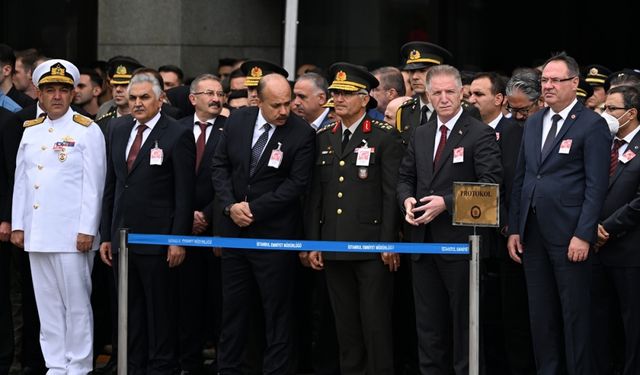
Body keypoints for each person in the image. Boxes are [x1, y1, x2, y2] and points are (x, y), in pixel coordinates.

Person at [507, 52, 611, 375]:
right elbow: (522, 177)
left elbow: (596, 186)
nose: (548, 86)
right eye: (545, 80)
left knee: (575, 316)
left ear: (575, 83)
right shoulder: (535, 120)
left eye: (555, 80)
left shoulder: (591, 125)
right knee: (541, 316)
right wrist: (514, 227)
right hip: (533, 233)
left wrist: (584, 233)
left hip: (570, 236)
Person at [396, 64, 502, 375]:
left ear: (461, 94)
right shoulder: (420, 133)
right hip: (423, 246)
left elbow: (491, 189)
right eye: (437, 93)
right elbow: (405, 177)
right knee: (428, 330)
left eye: (450, 92)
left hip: (461, 249)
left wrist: (446, 202)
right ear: (427, 96)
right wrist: (406, 200)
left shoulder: (479, 133)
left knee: (465, 330)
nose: (444, 98)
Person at [211, 73, 315, 374]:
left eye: (288, 103)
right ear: (257, 100)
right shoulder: (238, 121)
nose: (284, 111)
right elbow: (220, 165)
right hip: (235, 233)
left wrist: (253, 209)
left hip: (274, 235)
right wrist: (231, 206)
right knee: (233, 309)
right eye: (276, 105)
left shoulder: (302, 132)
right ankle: (228, 368)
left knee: (277, 313)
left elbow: (296, 184)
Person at [305, 62, 404, 374]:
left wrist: (390, 243)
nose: (338, 98)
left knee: (374, 322)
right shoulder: (323, 136)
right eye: (335, 92)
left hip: (371, 246)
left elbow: (391, 194)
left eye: (346, 93)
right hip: (334, 242)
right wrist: (312, 243)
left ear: (365, 99)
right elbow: (315, 197)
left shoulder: (383, 136)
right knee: (344, 323)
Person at [11, 59, 107, 375]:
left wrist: (87, 229)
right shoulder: (31, 131)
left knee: (76, 303)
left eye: (63, 90)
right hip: (39, 232)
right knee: (47, 304)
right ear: (39, 93)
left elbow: (94, 185)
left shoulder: (87, 129)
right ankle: (55, 363)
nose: (56, 96)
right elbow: (22, 181)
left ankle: (78, 364)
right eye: (50, 90)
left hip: (70, 234)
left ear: (71, 94)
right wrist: (19, 225)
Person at [99, 70, 195, 374]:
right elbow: (112, 186)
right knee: (128, 312)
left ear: (161, 99)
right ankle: (131, 366)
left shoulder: (177, 133)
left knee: (159, 312)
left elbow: (184, 193)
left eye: (144, 98)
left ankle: (161, 367)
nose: (138, 104)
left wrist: (177, 239)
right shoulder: (117, 127)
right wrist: (107, 235)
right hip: (122, 240)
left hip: (158, 239)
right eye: (133, 98)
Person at [176, 73, 227, 374]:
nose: (216, 98)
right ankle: (188, 363)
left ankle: (222, 361)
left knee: (219, 300)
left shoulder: (230, 129)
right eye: (209, 93)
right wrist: (185, 217)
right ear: (193, 98)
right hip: (181, 229)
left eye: (219, 93)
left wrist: (206, 214)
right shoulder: (177, 129)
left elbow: (231, 180)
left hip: (217, 228)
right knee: (186, 301)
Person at [592, 85, 640, 375]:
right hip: (596, 250)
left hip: (629, 251)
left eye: (611, 109)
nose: (605, 115)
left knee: (632, 325)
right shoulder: (603, 144)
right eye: (603, 109)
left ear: (631, 113)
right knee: (600, 323)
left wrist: (607, 228)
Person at [0, 106, 21, 375]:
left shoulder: (6, 120)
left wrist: (7, 218)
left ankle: (3, 360)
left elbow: (11, 175)